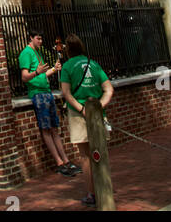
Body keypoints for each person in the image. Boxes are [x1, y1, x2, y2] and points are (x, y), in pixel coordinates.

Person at [59, 33, 114, 207]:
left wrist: (82, 109)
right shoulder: (93, 64)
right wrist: (98, 107)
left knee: (85, 155)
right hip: (97, 113)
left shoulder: (67, 66)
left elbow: (66, 93)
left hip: (79, 114)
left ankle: (92, 193)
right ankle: (104, 188)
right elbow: (109, 89)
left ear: (68, 50)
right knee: (100, 151)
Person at [18, 31, 79, 177]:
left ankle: (66, 160)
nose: (40, 41)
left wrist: (53, 69)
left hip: (47, 92)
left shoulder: (38, 53)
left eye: (41, 38)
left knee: (54, 128)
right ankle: (59, 162)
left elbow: (42, 74)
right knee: (46, 128)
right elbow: (25, 77)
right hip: (38, 94)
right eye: (38, 38)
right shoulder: (26, 53)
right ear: (31, 38)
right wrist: (36, 72)